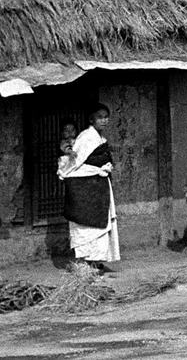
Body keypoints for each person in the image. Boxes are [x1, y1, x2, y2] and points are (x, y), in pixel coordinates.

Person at [59, 104, 120, 274]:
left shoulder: (100, 138)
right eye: (100, 117)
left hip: (98, 187)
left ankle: (94, 262)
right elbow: (73, 163)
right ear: (91, 120)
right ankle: (84, 262)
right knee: (85, 226)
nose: (104, 120)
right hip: (85, 188)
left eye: (106, 116)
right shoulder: (86, 137)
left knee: (99, 226)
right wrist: (64, 173)